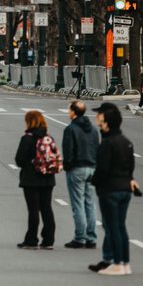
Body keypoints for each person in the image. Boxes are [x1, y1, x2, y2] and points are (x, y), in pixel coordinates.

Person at [90, 102, 138, 276]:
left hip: (110, 190)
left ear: (106, 121)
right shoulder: (126, 142)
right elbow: (130, 167)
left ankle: (117, 264)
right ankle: (125, 263)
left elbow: (102, 169)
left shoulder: (107, 143)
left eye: (99, 116)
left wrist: (94, 181)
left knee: (111, 228)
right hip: (125, 189)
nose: (97, 119)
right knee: (120, 227)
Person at [14, 109, 58, 249]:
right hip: (48, 178)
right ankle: (48, 240)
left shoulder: (27, 138)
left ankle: (31, 239)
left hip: (31, 179)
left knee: (33, 210)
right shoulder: (48, 138)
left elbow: (19, 160)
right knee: (47, 208)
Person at [60, 100, 98, 249]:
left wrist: (67, 166)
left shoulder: (71, 129)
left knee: (78, 204)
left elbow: (68, 150)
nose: (68, 112)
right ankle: (91, 237)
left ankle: (80, 237)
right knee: (90, 204)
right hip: (92, 168)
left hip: (77, 168)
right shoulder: (94, 129)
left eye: (69, 110)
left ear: (74, 112)